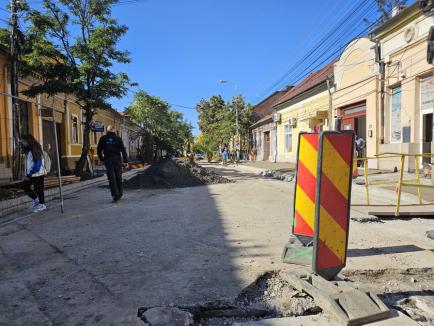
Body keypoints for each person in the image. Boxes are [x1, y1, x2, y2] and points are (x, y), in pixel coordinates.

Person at [97, 125, 128, 202]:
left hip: (108, 160)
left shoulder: (103, 138)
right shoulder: (118, 139)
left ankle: (115, 195)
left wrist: (102, 159)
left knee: (111, 178)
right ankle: (120, 193)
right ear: (114, 130)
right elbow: (123, 150)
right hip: (117, 160)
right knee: (118, 176)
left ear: (107, 131)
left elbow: (99, 150)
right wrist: (125, 161)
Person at [21, 134, 47, 213]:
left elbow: (37, 165)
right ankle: (36, 200)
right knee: (25, 186)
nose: (23, 143)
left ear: (28, 141)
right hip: (32, 173)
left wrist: (29, 175)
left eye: (24, 141)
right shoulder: (29, 150)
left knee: (39, 189)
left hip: (38, 173)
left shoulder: (35, 149)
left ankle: (42, 204)